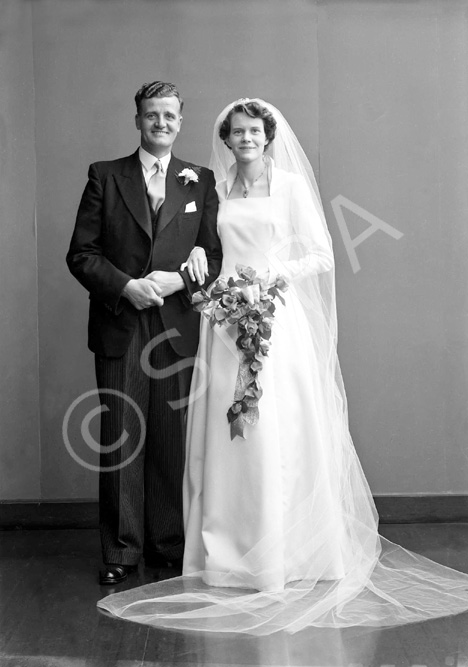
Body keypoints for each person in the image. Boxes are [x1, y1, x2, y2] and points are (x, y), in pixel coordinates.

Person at [97, 99, 468, 633]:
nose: (245, 138)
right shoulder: (213, 189)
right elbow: (205, 250)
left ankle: (285, 553)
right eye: (236, 131)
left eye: (254, 130)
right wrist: (202, 270)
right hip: (223, 319)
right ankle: (226, 554)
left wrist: (269, 276)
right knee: (224, 436)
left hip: (273, 315)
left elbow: (321, 255)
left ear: (268, 136)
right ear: (225, 139)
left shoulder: (291, 188)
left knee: (275, 429)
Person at [66, 81, 222, 586]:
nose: (161, 123)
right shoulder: (105, 177)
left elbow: (213, 257)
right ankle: (120, 549)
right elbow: (81, 254)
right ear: (137, 120)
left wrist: (180, 278)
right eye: (151, 114)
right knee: (121, 439)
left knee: (169, 441)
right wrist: (126, 287)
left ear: (181, 121)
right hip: (121, 323)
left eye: (169, 115)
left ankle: (167, 544)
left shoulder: (200, 180)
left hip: (176, 327)